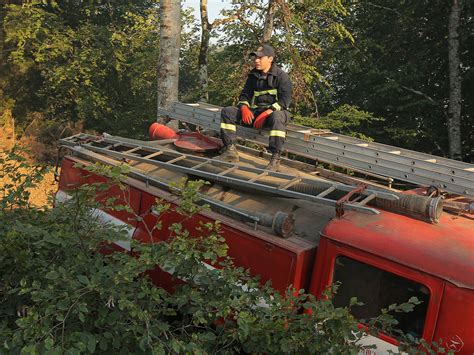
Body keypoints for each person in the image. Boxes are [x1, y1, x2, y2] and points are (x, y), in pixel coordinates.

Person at [217, 44, 292, 171]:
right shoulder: (253, 76)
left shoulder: (282, 76)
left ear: (270, 59)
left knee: (277, 116)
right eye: (255, 58)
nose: (256, 61)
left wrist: (267, 113)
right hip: (257, 113)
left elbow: (284, 102)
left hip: (275, 115)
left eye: (260, 58)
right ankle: (230, 151)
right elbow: (245, 96)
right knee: (227, 112)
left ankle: (275, 157)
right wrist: (244, 109)